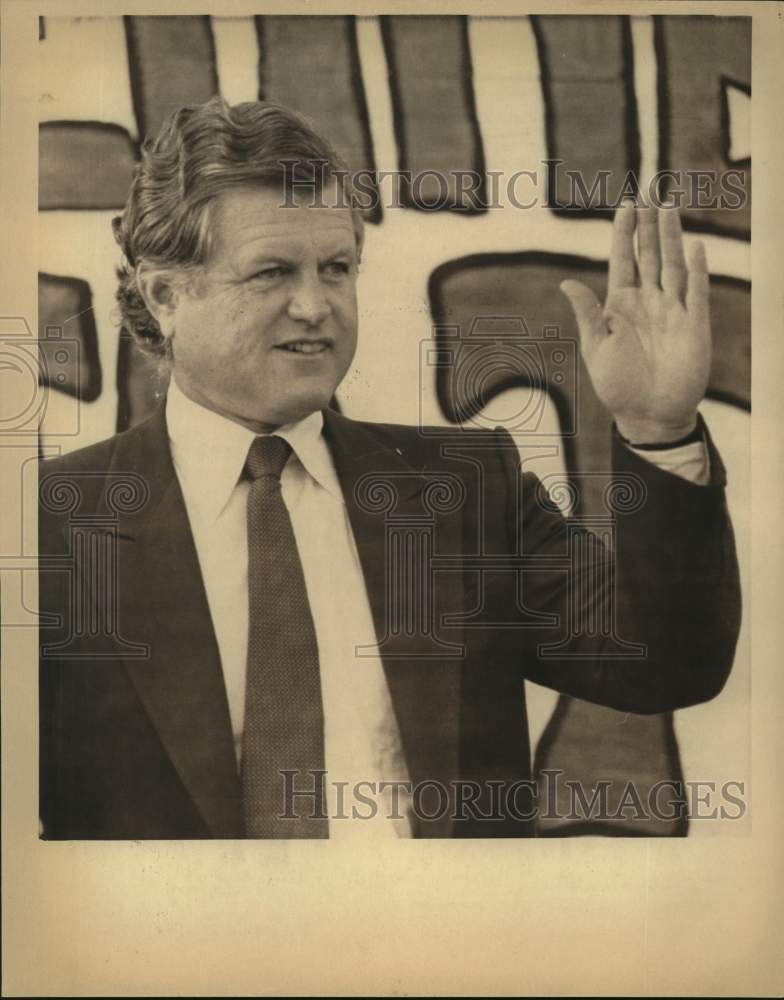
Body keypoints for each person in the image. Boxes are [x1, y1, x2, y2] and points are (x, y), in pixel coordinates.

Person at [38, 97, 741, 839]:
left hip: (437, 949)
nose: (315, 306)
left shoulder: (466, 491)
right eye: (272, 272)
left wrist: (659, 430)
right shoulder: (52, 521)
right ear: (166, 295)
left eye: (336, 268)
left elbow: (665, 663)